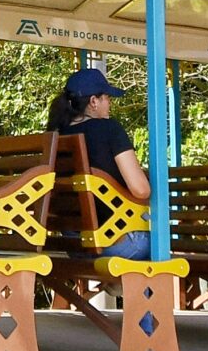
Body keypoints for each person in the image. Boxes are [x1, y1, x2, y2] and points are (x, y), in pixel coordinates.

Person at [48, 67, 152, 259]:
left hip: (75, 245)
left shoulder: (55, 138)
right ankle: (132, 288)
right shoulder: (109, 129)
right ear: (94, 101)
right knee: (159, 243)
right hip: (121, 242)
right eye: (107, 97)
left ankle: (117, 286)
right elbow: (141, 190)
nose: (110, 103)